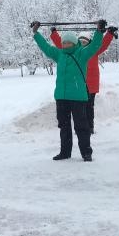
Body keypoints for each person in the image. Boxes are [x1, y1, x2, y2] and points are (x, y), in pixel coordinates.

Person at [30, 20, 105, 161]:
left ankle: (86, 152)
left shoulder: (82, 54)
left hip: (78, 97)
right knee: (64, 126)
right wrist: (36, 33)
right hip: (61, 97)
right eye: (64, 43)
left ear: (74, 43)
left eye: (68, 42)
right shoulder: (59, 54)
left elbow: (95, 45)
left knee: (81, 127)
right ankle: (65, 152)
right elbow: (45, 47)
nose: (65, 45)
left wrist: (99, 32)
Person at [50, 26, 115, 134]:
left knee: (89, 107)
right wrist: (54, 34)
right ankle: (81, 128)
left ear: (89, 42)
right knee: (80, 110)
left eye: (85, 41)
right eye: (81, 41)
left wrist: (109, 34)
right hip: (78, 86)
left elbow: (103, 43)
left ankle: (90, 127)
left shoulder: (92, 51)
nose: (83, 43)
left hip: (91, 85)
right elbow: (61, 44)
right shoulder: (75, 52)